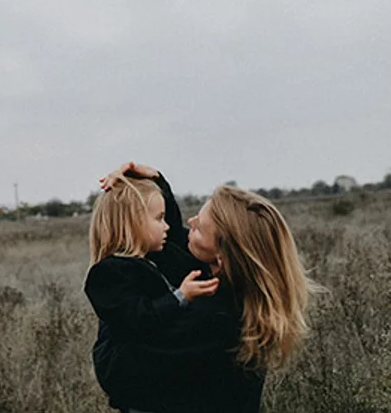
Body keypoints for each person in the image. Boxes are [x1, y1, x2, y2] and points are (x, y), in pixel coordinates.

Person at [92, 162, 313, 413]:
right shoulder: (233, 291)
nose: (190, 221)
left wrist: (113, 312)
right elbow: (175, 240)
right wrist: (157, 183)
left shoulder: (210, 320)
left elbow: (119, 375)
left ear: (220, 256)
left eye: (199, 226)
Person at [84, 176, 221, 412]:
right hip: (140, 394)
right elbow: (137, 319)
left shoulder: (153, 258)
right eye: (159, 219)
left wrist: (158, 181)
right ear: (132, 223)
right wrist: (181, 297)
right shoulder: (108, 273)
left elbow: (177, 234)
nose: (166, 226)